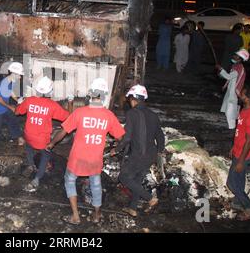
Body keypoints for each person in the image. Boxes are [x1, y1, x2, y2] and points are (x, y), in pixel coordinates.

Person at [47, 78, 125, 225]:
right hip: (95, 159)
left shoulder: (80, 112)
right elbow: (122, 137)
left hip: (77, 158)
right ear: (103, 96)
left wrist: (52, 143)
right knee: (95, 184)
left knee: (70, 181)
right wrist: (118, 148)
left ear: (90, 94)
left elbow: (63, 132)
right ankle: (96, 215)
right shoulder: (109, 116)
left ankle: (76, 216)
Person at [110, 84, 165, 217]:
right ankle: (132, 208)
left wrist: (116, 149)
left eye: (130, 99)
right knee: (137, 180)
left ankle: (150, 198)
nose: (129, 102)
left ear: (134, 99)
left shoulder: (132, 113)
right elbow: (160, 136)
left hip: (139, 154)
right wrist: (159, 152)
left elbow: (127, 138)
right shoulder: (153, 115)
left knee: (123, 177)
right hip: (150, 154)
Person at [15, 76, 73, 192]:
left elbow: (17, 112)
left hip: (28, 135)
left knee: (29, 147)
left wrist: (20, 102)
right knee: (45, 156)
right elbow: (69, 118)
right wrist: (70, 102)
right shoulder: (52, 105)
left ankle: (31, 165)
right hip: (42, 141)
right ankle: (36, 179)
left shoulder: (30, 100)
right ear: (49, 92)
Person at [226, 86, 250, 221]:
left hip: (244, 155)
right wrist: (233, 147)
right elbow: (240, 132)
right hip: (238, 151)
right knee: (238, 181)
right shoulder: (244, 109)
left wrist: (241, 160)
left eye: (243, 93)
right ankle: (237, 202)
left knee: (232, 183)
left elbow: (249, 141)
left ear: (248, 97)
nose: (240, 94)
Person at [0, 61, 25, 153]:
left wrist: (17, 100)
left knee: (12, 119)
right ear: (14, 73)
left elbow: (10, 92)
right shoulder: (4, 84)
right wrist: (11, 107)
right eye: (19, 75)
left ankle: (18, 137)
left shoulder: (12, 80)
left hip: (3, 107)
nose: (20, 77)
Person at [216, 49, 249, 129]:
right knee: (229, 107)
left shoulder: (239, 68)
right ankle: (231, 125)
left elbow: (228, 76)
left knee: (231, 109)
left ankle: (232, 127)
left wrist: (220, 69)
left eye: (236, 55)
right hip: (231, 90)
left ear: (240, 59)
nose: (234, 56)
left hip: (234, 92)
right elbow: (230, 78)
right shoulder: (235, 66)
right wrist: (225, 85)